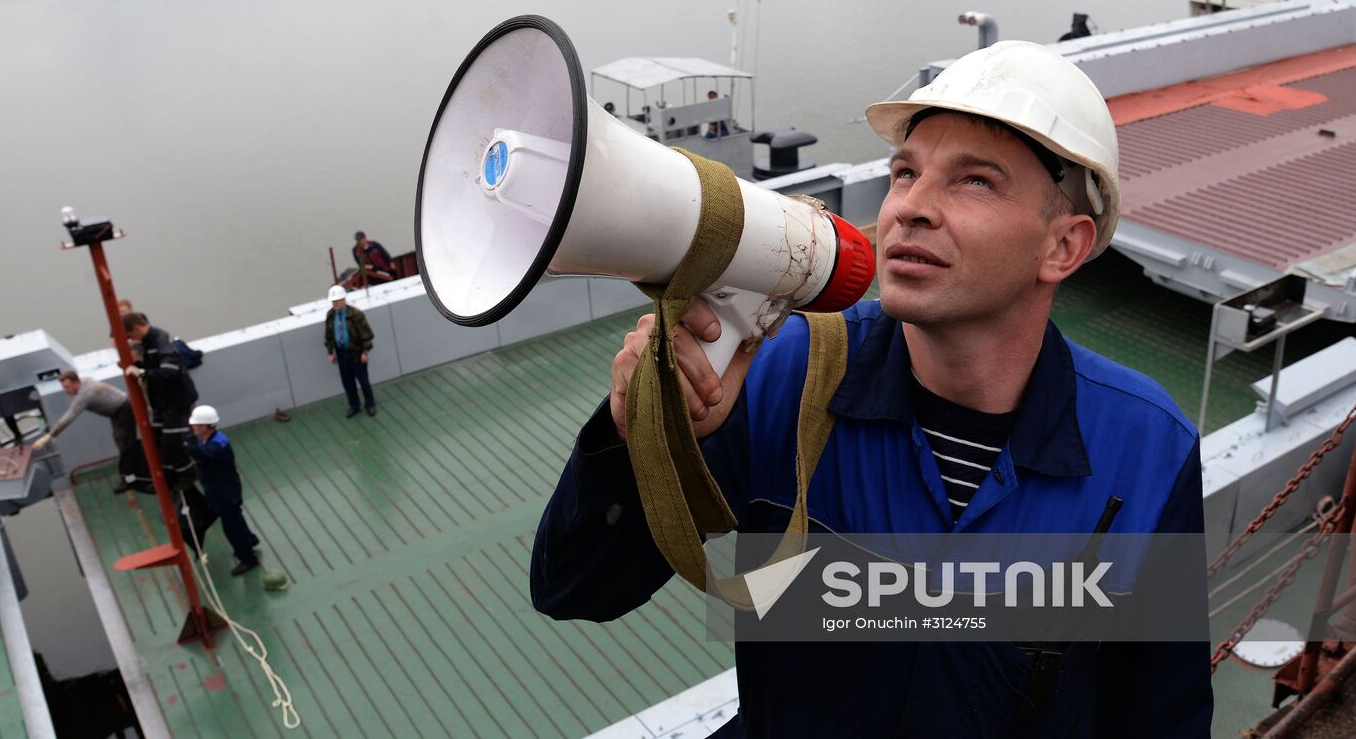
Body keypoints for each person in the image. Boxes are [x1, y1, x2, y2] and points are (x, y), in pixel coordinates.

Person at [530, 42, 1211, 737]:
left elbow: (1160, 713)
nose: (911, 207)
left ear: (1063, 246)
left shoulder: (1149, 448)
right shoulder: (779, 375)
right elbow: (572, 585)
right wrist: (635, 433)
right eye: (904, 173)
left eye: (974, 181)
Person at [122, 312, 198, 488]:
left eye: (131, 336)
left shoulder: (160, 341)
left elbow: (170, 370)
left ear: (137, 328)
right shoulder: (149, 343)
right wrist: (140, 366)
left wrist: (141, 373)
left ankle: (187, 473)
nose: (132, 341)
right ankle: (169, 475)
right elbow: (155, 366)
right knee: (156, 440)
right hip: (163, 402)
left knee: (172, 441)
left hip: (177, 401)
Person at [185, 405, 261, 576]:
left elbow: (206, 455)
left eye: (195, 425)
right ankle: (250, 540)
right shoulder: (204, 439)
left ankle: (248, 558)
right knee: (235, 518)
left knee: (231, 527)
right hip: (219, 489)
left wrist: (184, 448)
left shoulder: (218, 444)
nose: (193, 427)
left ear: (205, 427)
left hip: (225, 492)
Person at [32, 371, 137, 492]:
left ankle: (131, 479)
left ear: (76, 382)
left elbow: (69, 417)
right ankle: (132, 476)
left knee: (126, 447)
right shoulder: (86, 382)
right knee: (124, 444)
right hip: (119, 410)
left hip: (123, 412)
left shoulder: (85, 395)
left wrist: (49, 436)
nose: (66, 391)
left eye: (67, 387)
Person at [324, 285, 377, 417]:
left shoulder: (356, 314)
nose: (335, 303)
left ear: (344, 299)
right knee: (347, 381)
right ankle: (354, 405)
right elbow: (329, 335)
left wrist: (365, 352)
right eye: (333, 301)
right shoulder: (331, 315)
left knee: (363, 380)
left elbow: (366, 335)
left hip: (357, 353)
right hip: (341, 353)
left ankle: (370, 404)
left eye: (337, 300)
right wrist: (330, 352)